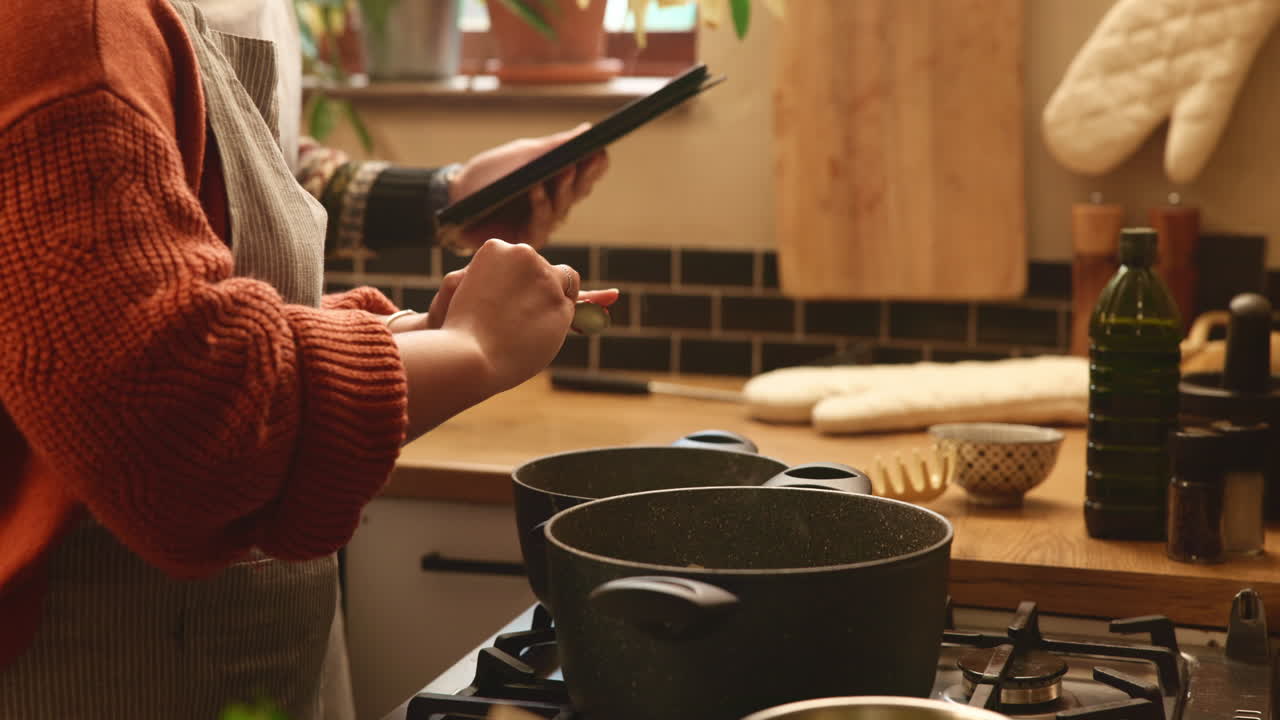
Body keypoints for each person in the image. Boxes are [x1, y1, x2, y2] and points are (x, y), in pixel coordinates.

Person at [0, 0, 615, 718]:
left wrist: (430, 245)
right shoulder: (71, 22)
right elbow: (173, 420)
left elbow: (224, 184)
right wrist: (471, 350)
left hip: (240, 643)